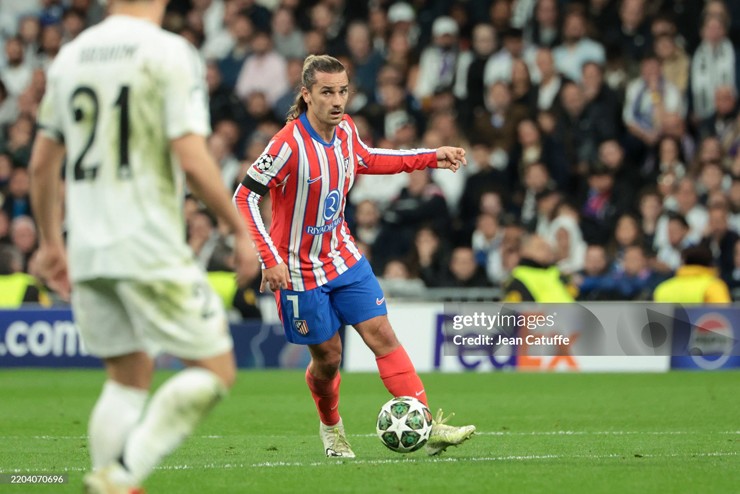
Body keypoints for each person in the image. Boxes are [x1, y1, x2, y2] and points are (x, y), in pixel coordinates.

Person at [28, 0, 257, 492]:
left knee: (127, 375)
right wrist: (238, 229)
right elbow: (193, 159)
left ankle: (115, 482)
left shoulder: (70, 56)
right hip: (147, 243)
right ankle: (125, 473)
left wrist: (51, 242)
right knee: (216, 369)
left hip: (87, 248)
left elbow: (42, 164)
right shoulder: (169, 52)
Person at [233, 54, 475, 458]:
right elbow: (243, 196)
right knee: (328, 359)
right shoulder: (287, 144)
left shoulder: (345, 130)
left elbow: (371, 158)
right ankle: (331, 428)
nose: (337, 100)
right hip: (297, 271)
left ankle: (428, 425)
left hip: (342, 256)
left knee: (382, 334)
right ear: (307, 95)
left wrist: (432, 156)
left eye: (342, 90)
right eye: (327, 92)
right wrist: (268, 257)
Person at [653, 246, 731, 303]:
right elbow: (725, 318)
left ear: (684, 263)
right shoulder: (713, 287)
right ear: (710, 264)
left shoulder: (662, 288)